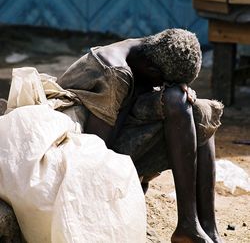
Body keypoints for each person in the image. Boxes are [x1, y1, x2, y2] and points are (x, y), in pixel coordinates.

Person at [57, 28, 223, 243]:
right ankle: (188, 224)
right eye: (163, 81)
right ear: (152, 69)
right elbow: (94, 152)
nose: (161, 87)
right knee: (177, 102)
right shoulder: (116, 73)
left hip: (118, 127)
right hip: (86, 153)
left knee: (200, 112)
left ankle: (208, 229)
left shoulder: (148, 49)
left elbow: (143, 95)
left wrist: (178, 90)